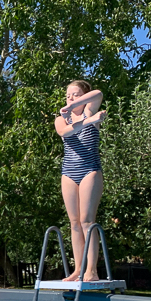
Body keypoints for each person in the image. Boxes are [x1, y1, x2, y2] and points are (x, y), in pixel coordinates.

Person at [54, 80, 107, 281]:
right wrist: (88, 121)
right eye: (67, 95)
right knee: (74, 223)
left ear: (84, 97)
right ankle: (78, 269)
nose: (70, 98)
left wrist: (84, 112)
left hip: (90, 171)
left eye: (75, 94)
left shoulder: (89, 110)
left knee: (87, 221)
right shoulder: (62, 119)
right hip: (69, 172)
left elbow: (98, 93)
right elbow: (64, 132)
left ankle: (91, 271)